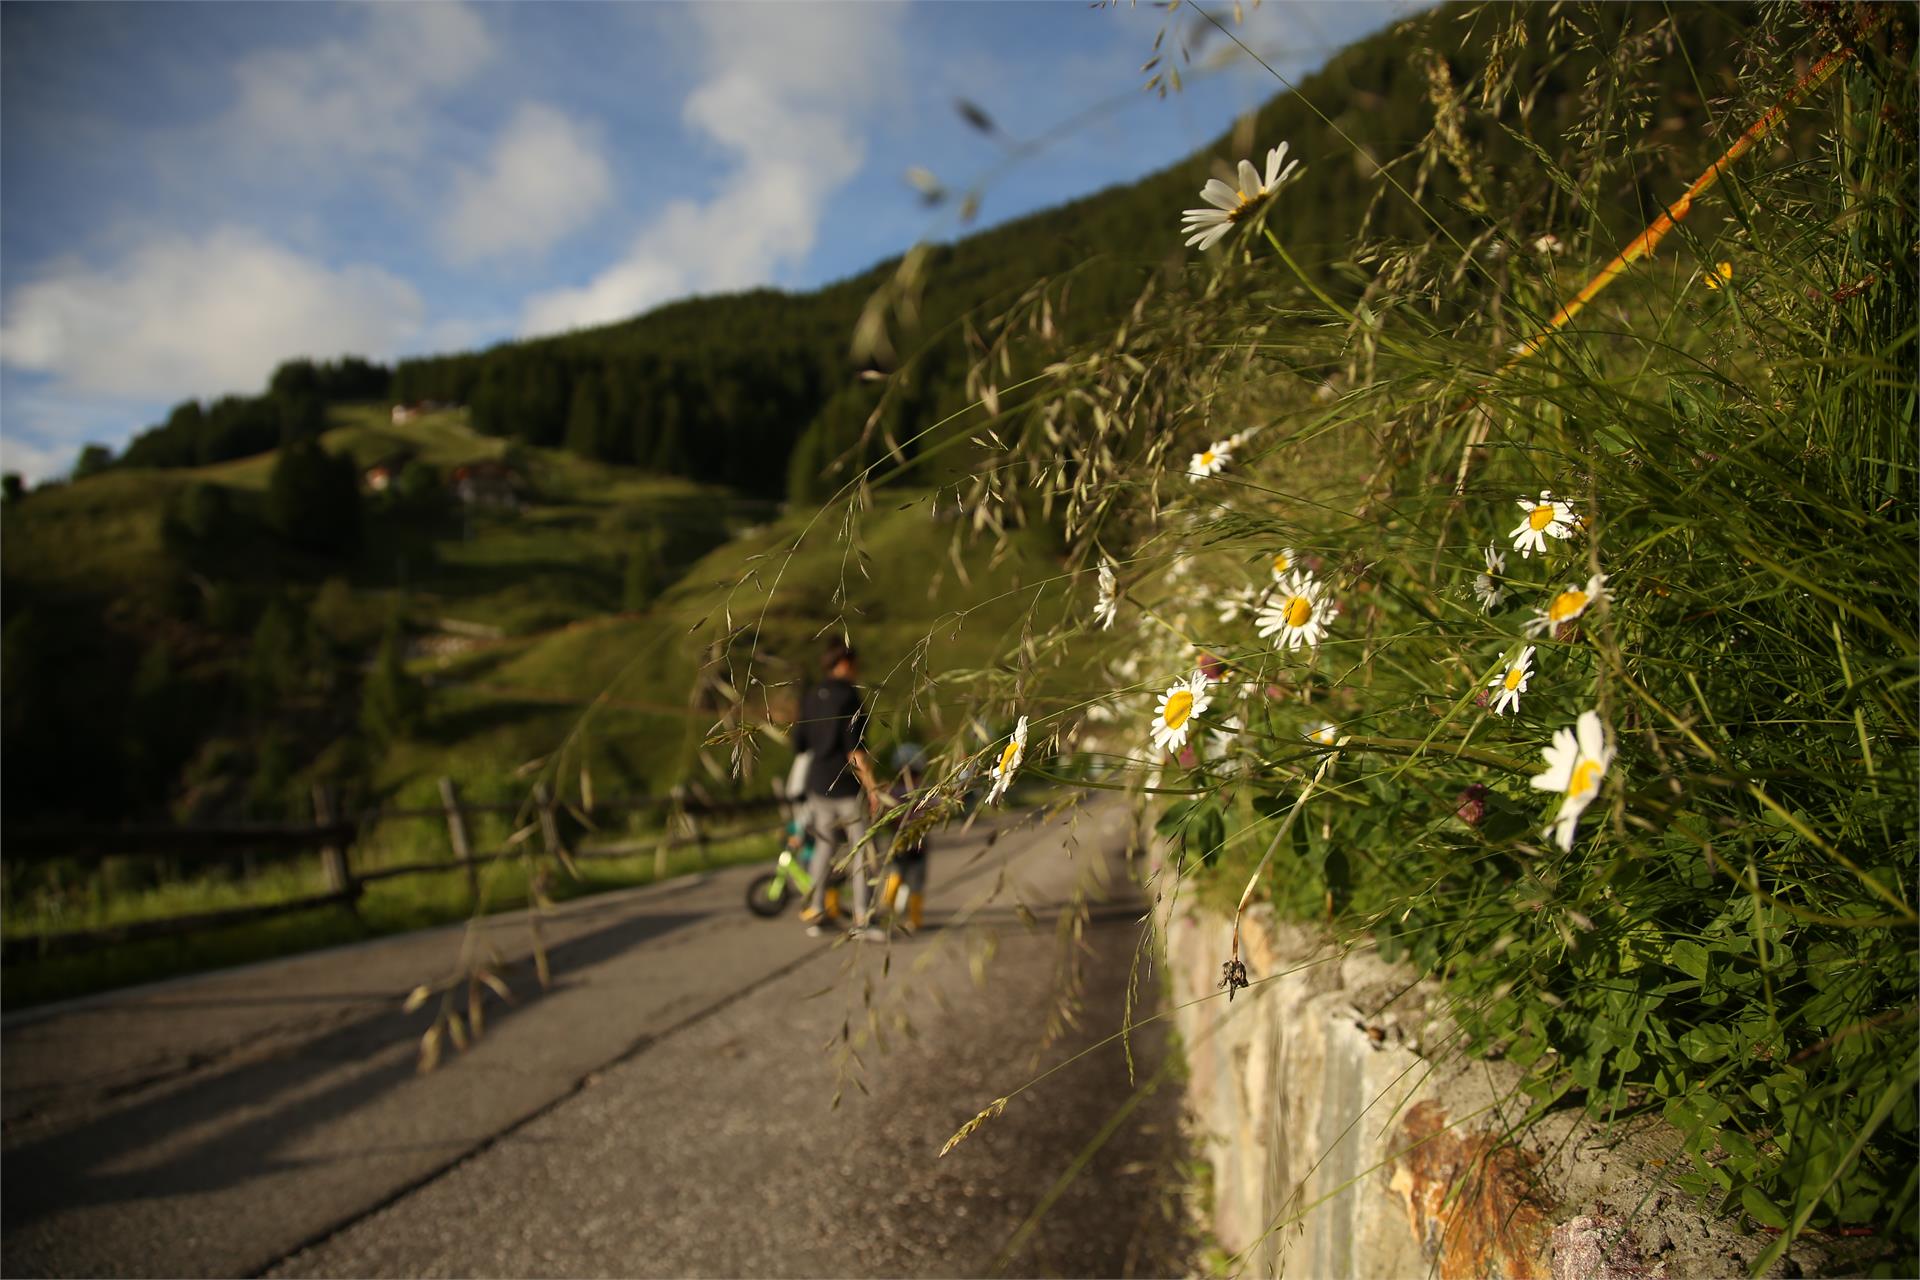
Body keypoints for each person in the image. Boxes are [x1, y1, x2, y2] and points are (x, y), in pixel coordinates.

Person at [790, 641, 885, 940]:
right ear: (843, 663)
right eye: (854, 663)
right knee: (862, 852)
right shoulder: (849, 697)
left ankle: (816, 912)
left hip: (817, 785)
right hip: (845, 786)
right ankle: (862, 919)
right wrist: (873, 789)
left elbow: (799, 742)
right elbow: (854, 750)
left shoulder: (811, 696)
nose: (856, 668)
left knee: (823, 847)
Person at [879, 744, 933, 932]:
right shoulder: (923, 790)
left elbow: (887, 814)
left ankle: (887, 912)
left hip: (901, 840)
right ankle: (914, 918)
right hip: (918, 841)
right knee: (915, 881)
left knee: (897, 874)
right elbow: (935, 808)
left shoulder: (893, 791)